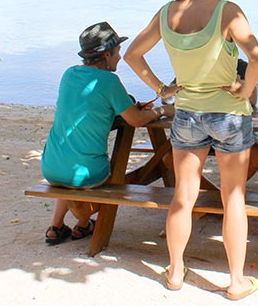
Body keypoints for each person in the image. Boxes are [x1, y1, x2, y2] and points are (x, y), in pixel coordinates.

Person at [125, 0, 258, 300]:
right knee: (233, 199)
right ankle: (235, 282)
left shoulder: (166, 13)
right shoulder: (228, 11)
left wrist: (162, 89)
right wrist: (246, 91)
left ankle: (174, 272)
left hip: (187, 112)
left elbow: (132, 55)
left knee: (182, 198)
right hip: (229, 114)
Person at [40, 21, 175, 245]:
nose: (120, 58)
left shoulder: (69, 74)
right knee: (107, 172)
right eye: (118, 52)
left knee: (70, 163)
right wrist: (163, 110)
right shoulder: (109, 81)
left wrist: (128, 107)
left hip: (51, 166)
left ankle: (55, 227)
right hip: (87, 174)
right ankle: (84, 224)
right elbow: (137, 120)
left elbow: (89, 107)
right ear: (107, 54)